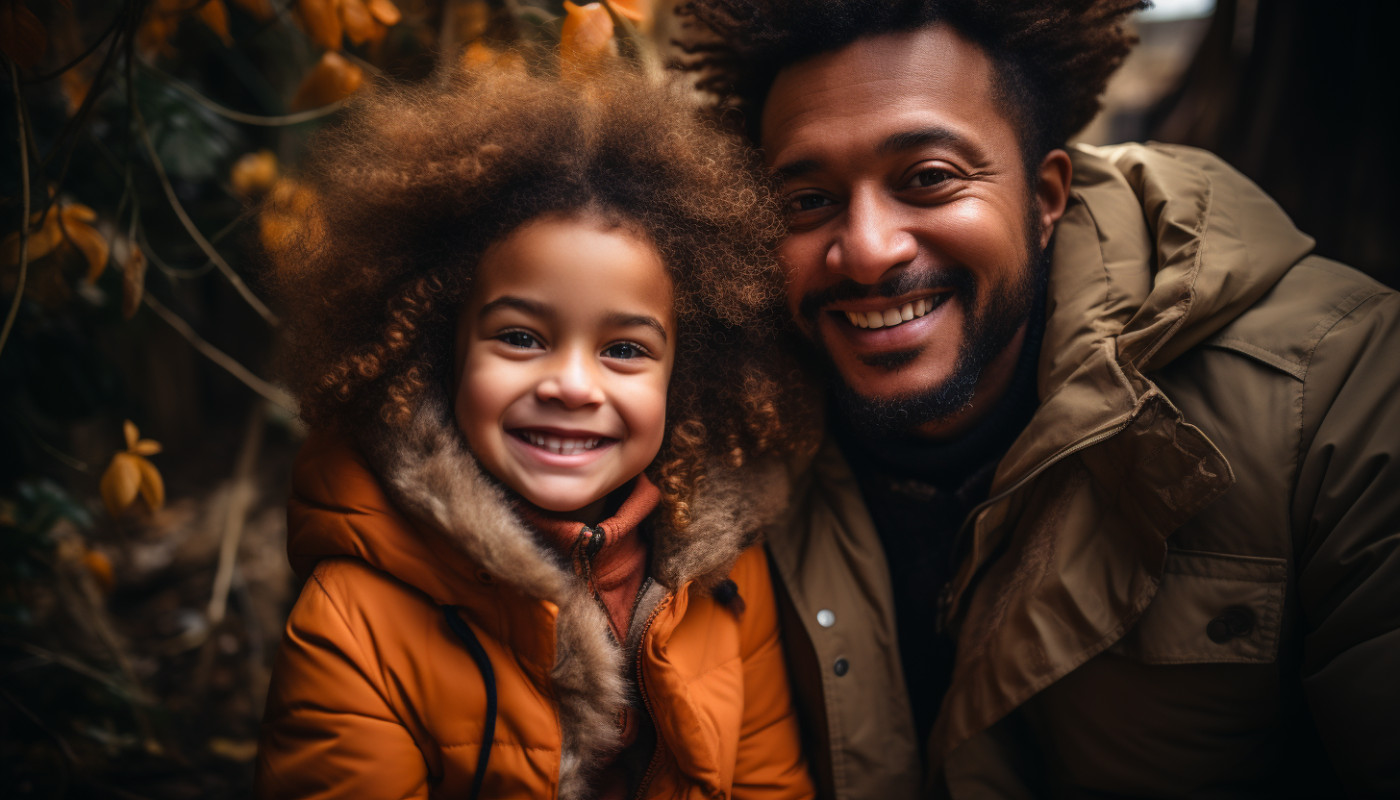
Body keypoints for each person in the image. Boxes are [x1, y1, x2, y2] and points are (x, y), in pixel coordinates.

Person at [675, 1, 1400, 797]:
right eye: (807, 200)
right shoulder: (707, 433)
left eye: (929, 179)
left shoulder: (1334, 392)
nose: (868, 251)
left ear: (1047, 196)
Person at [253, 62, 816, 800]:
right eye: (520, 337)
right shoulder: (354, 625)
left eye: (624, 350)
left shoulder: (724, 579)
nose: (573, 386)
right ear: (439, 351)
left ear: (684, 378)